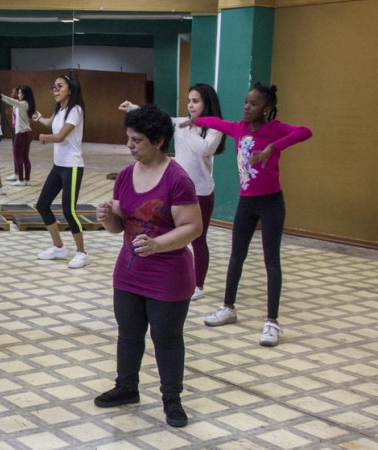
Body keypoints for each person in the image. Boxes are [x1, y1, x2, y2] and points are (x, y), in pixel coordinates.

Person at [93, 104, 202, 428]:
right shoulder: (126, 176)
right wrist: (108, 218)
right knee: (128, 334)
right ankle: (126, 387)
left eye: (136, 140)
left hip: (168, 275)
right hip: (129, 272)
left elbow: (192, 227)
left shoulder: (177, 178)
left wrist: (157, 245)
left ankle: (172, 400)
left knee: (167, 339)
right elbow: (119, 227)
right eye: (128, 138)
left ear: (158, 140)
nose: (129, 146)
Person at [192, 83, 313, 346]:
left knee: (272, 260)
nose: (247, 107)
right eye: (246, 102)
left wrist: (274, 147)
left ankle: (272, 322)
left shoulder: (274, 128)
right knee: (236, 256)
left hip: (271, 203)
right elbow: (216, 122)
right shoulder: (239, 128)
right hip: (246, 204)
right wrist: (194, 119)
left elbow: (306, 132)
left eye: (254, 104)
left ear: (267, 109)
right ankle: (228, 308)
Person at [120, 83, 225, 300]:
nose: (190, 105)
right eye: (189, 101)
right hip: (173, 190)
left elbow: (205, 149)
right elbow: (157, 121)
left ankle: (198, 284)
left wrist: (192, 127)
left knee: (197, 238)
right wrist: (132, 107)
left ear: (207, 104)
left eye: (196, 101)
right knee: (167, 232)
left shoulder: (215, 127)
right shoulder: (180, 123)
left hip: (201, 191)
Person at [32, 74, 89, 268]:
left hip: (72, 167)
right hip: (58, 166)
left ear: (70, 89)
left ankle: (82, 252)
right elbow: (52, 123)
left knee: (68, 210)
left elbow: (61, 136)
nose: (55, 89)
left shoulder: (76, 110)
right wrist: (41, 119)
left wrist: (43, 136)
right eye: (53, 87)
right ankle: (58, 246)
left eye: (59, 86)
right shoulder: (60, 111)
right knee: (42, 205)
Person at [1, 85, 35, 186]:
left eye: (19, 93)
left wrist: (1, 96)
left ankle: (20, 179)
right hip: (27, 132)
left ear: (24, 94)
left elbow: (13, 102)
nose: (18, 94)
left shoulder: (23, 103)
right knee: (24, 157)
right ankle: (27, 180)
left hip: (22, 133)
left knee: (18, 156)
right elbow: (15, 104)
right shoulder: (25, 104)